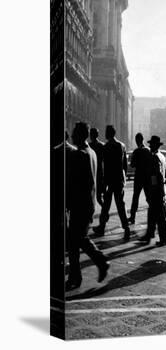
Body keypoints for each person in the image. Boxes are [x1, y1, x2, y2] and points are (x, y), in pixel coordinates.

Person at [66, 122, 109, 290]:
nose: (72, 135)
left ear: (80, 135)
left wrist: (67, 202)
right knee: (74, 241)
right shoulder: (92, 153)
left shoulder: (79, 154)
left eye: (75, 132)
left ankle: (100, 261)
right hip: (88, 203)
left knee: (78, 239)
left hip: (79, 203)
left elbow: (74, 183)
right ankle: (75, 276)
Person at [93, 125, 130, 241]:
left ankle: (102, 227)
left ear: (109, 133)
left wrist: (104, 182)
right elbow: (125, 165)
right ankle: (126, 227)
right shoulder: (121, 145)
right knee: (120, 205)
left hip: (110, 181)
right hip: (119, 180)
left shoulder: (107, 146)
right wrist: (124, 178)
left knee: (106, 206)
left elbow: (105, 166)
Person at [140, 135, 166, 246]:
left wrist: (152, 190)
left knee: (160, 215)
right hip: (161, 188)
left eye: (151, 145)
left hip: (156, 189)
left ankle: (164, 237)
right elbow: (165, 174)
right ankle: (149, 234)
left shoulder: (154, 157)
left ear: (154, 146)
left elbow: (155, 176)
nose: (150, 146)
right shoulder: (162, 156)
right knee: (153, 212)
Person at [128, 133, 151, 224]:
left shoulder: (136, 151)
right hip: (147, 177)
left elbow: (132, 164)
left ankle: (133, 217)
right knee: (149, 197)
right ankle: (155, 214)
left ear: (136, 140)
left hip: (138, 177)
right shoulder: (148, 150)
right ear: (143, 139)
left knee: (135, 197)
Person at [89, 128, 105, 206]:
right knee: (99, 197)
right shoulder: (101, 145)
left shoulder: (89, 146)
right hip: (98, 174)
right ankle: (105, 211)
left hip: (94, 174)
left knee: (96, 197)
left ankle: (105, 211)